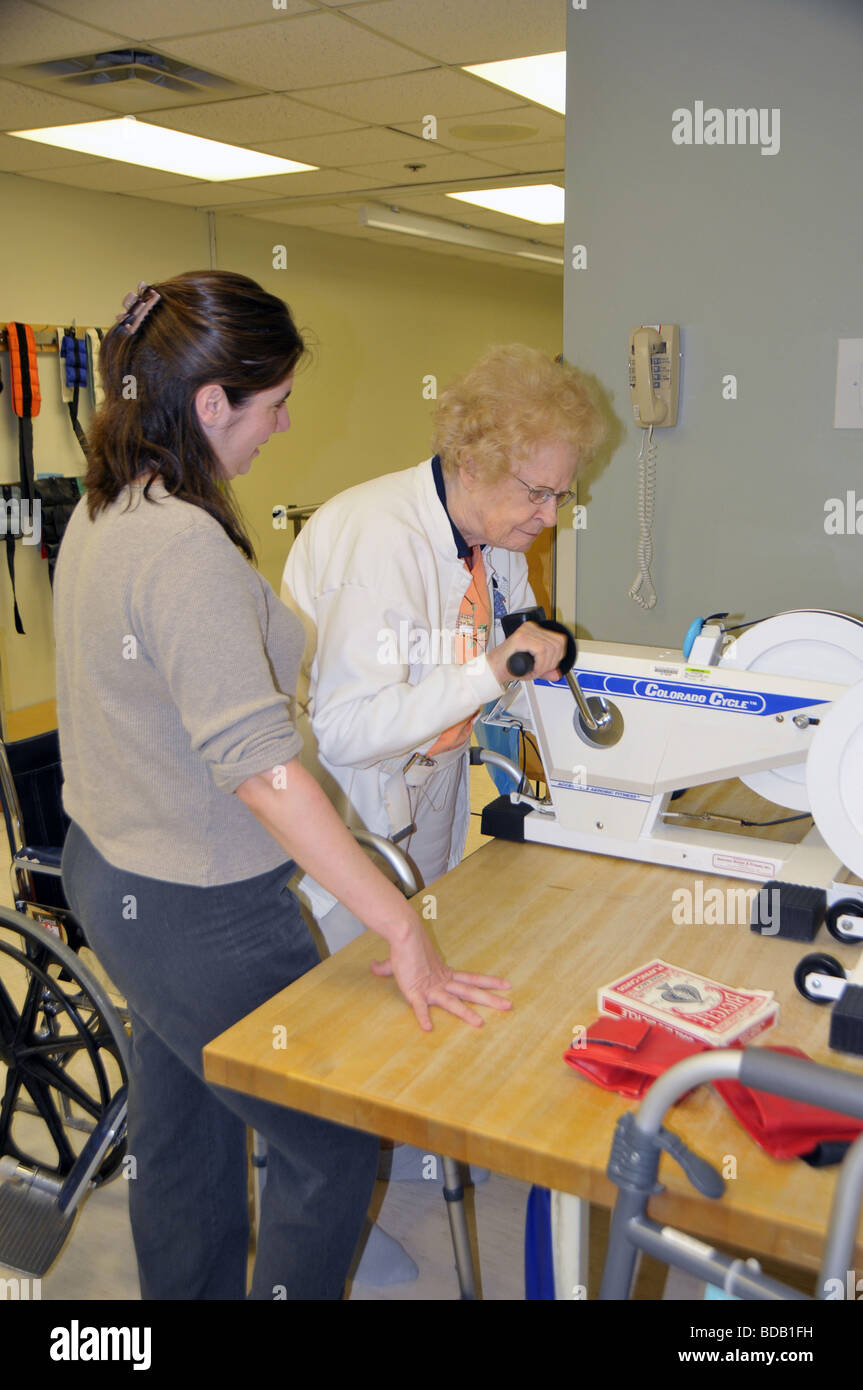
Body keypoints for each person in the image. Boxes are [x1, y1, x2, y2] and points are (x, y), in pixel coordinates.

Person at [55, 270, 511, 1302]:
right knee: (330, 1141)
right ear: (210, 402)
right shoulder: (180, 547)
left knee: (187, 1130)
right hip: (201, 905)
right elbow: (262, 772)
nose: (284, 422)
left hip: (118, 877)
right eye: (271, 404)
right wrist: (399, 925)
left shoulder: (109, 509)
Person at [281, 344, 606, 954]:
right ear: (470, 461)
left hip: (437, 780)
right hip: (354, 798)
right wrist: (490, 671)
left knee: (427, 961)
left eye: (560, 496)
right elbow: (346, 732)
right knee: (349, 985)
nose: (550, 518)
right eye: (538, 493)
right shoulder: (378, 541)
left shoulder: (495, 536)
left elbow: (519, 662)